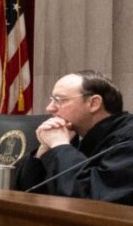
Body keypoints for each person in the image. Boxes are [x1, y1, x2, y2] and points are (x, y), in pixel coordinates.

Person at [15, 70, 133, 204]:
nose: (49, 108)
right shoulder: (72, 133)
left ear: (94, 103)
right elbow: (26, 191)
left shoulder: (127, 140)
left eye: (59, 100)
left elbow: (90, 201)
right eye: (51, 100)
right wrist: (44, 150)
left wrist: (61, 147)